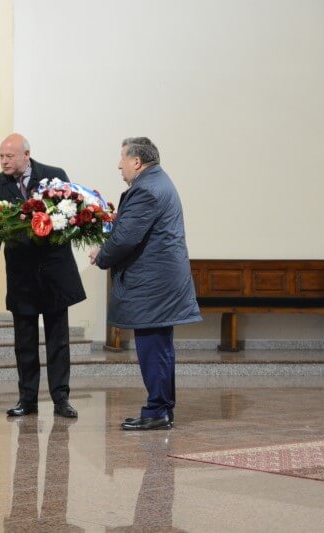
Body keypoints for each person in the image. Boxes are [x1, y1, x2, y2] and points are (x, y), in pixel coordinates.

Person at [89, 137, 201, 430]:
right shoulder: (157, 183)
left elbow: (126, 238)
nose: (119, 165)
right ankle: (160, 408)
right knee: (159, 347)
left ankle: (158, 411)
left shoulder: (147, 190)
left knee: (154, 348)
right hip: (159, 282)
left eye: (122, 159)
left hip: (154, 285)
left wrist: (102, 255)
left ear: (136, 162)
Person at [0, 133, 85, 419]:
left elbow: (73, 218)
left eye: (9, 156)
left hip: (54, 272)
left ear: (26, 154)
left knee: (58, 340)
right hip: (22, 276)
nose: (4, 161)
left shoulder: (54, 177)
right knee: (24, 341)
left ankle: (61, 399)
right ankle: (27, 399)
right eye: (1, 156)